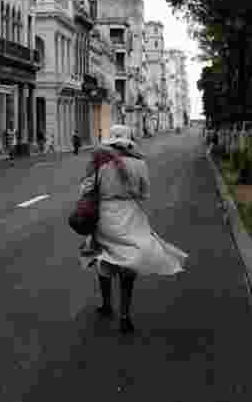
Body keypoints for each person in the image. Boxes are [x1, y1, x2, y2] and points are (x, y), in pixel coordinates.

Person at [78, 124, 188, 333]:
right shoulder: (139, 163)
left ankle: (106, 304)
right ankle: (125, 315)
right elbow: (144, 193)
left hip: (105, 216)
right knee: (129, 266)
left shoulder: (99, 161)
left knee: (103, 259)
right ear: (129, 140)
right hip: (130, 216)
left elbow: (85, 188)